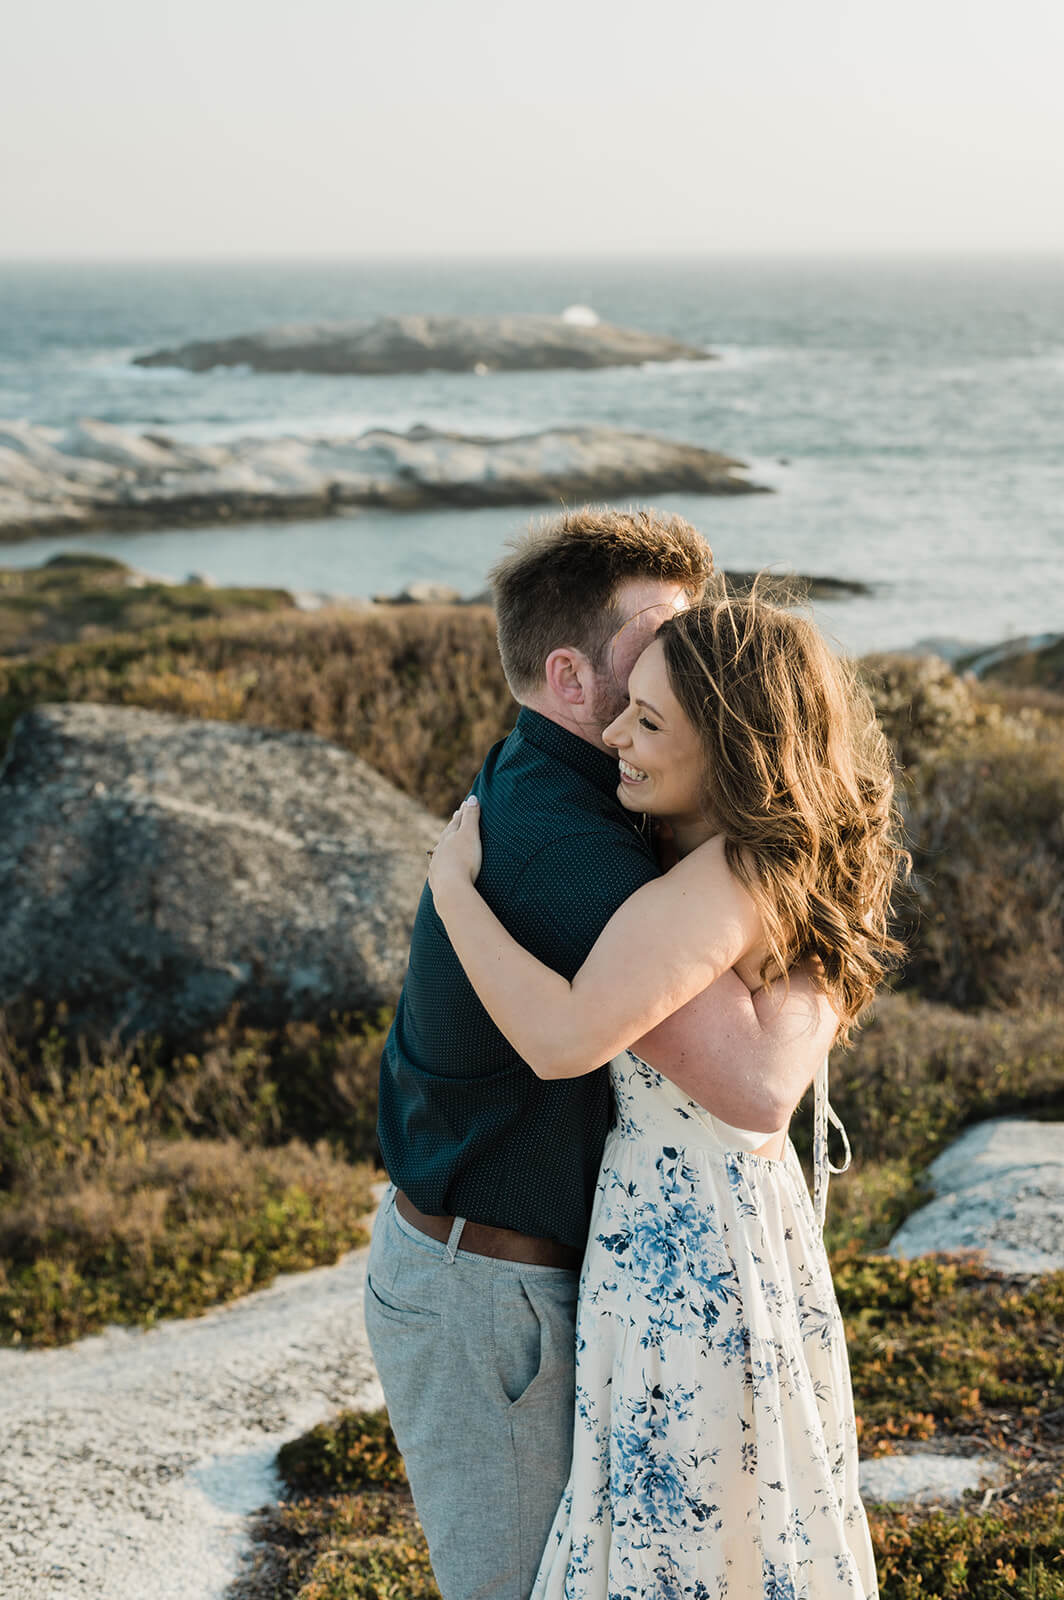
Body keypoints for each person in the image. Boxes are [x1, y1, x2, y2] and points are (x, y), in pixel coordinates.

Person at [365, 510, 838, 1600]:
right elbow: (756, 1081)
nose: (699, 648)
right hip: (496, 1303)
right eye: (661, 632)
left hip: (528, 1275)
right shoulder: (567, 851)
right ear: (570, 676)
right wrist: (824, 938)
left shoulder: (590, 794)